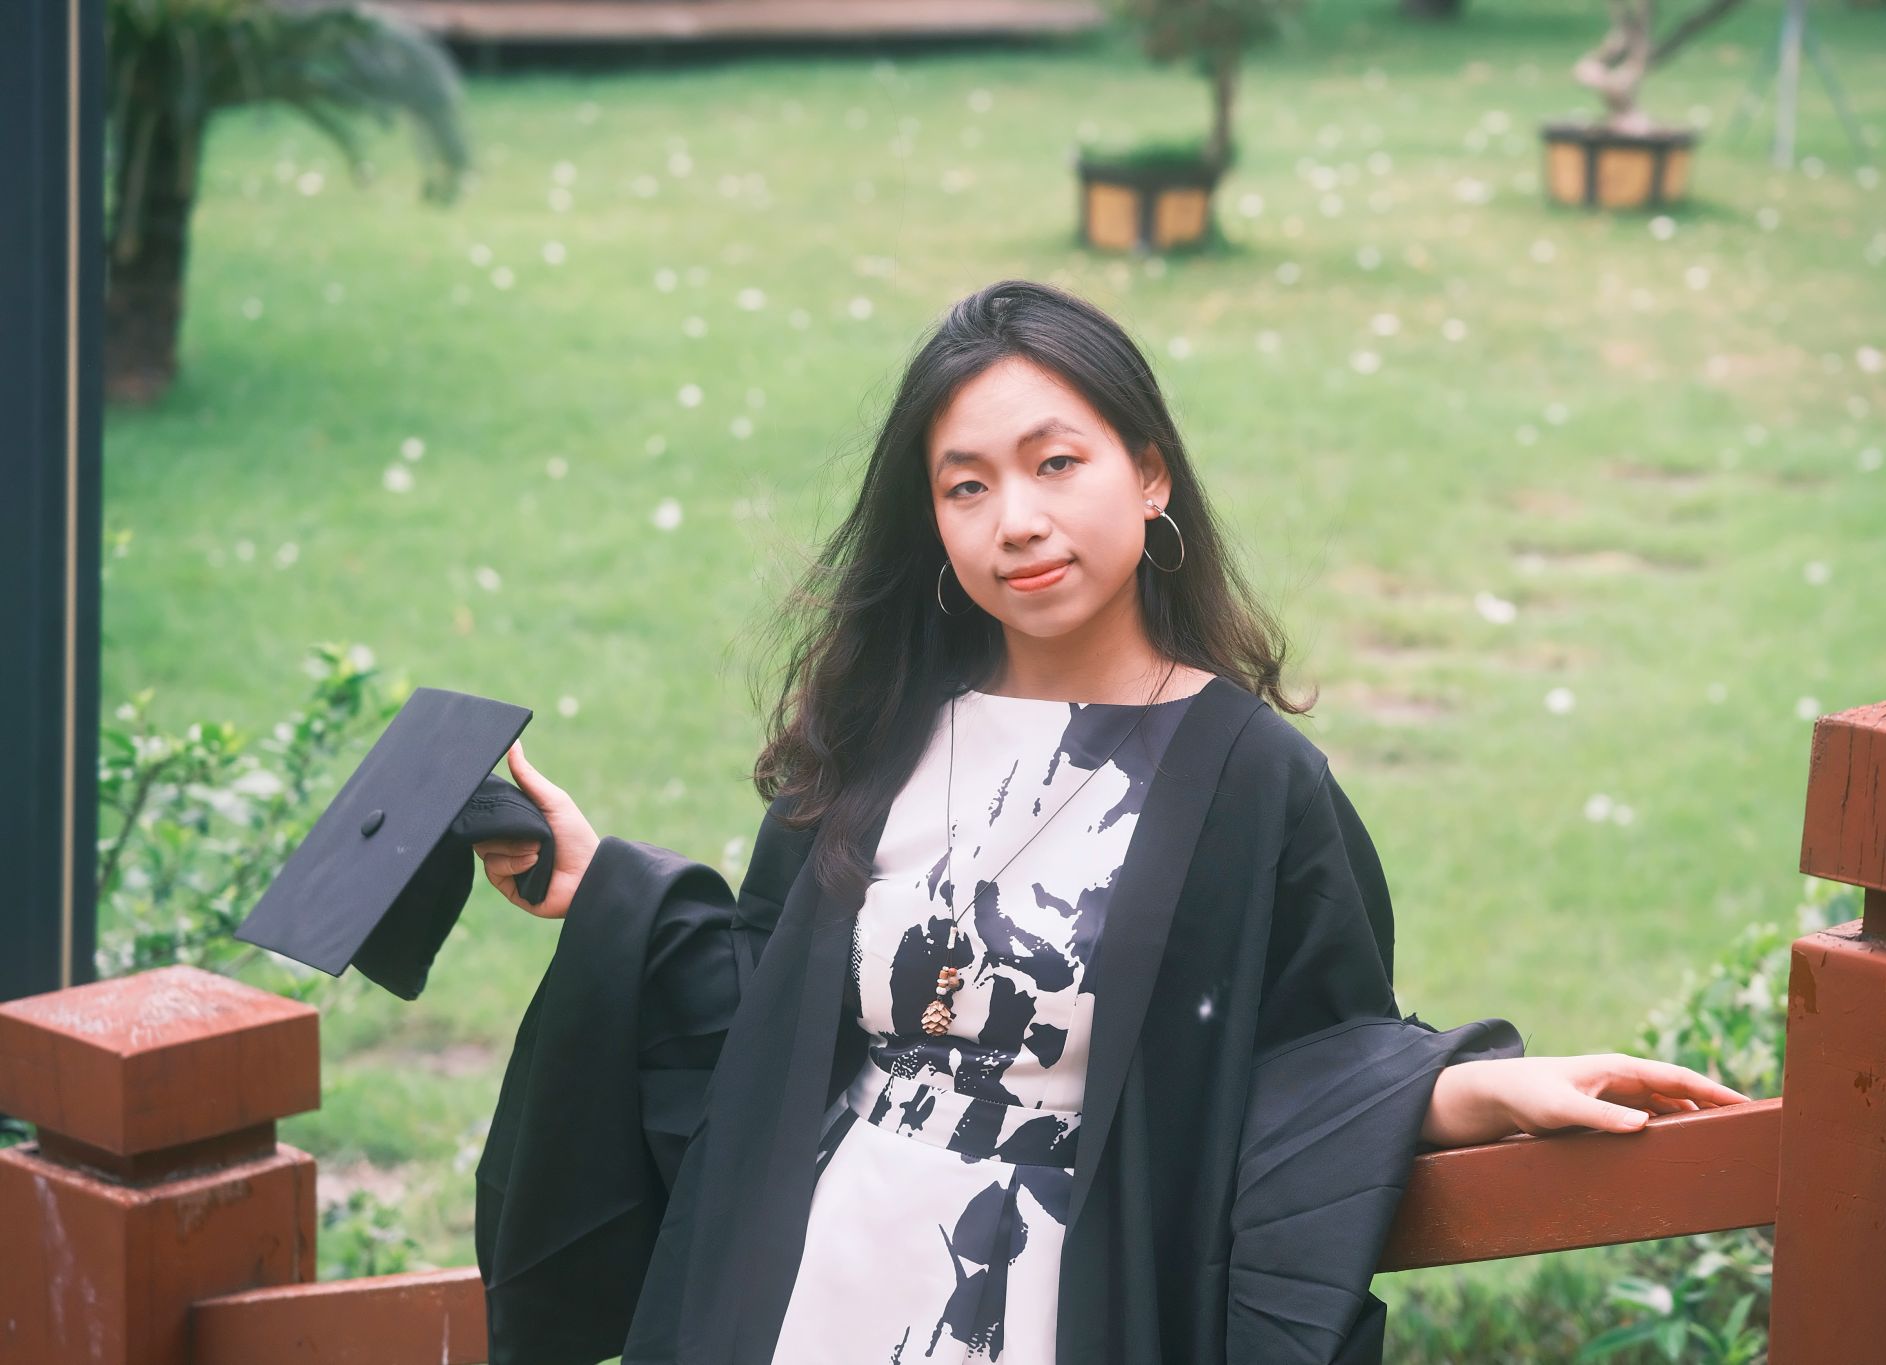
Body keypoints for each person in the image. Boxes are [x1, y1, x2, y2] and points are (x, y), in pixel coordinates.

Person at [467, 279, 1748, 1365]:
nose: (1014, 520)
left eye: (1055, 464)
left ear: (1147, 475)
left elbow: (1306, 1069)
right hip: (817, 1291)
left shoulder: (1250, 779)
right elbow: (770, 1025)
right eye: (964, 487)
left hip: (1058, 1309)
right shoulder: (877, 737)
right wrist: (607, 889)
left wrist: (1473, 1089)